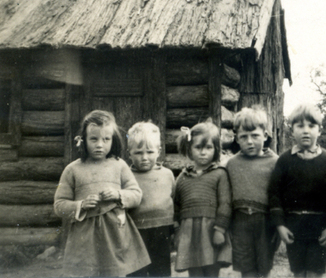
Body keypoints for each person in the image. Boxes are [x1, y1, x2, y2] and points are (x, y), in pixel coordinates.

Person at [54, 110, 150, 277]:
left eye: (106, 139)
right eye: (94, 139)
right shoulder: (72, 170)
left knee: (114, 273)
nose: (100, 145)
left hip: (116, 235)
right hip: (84, 238)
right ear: (83, 140)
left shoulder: (119, 165)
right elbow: (59, 205)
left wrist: (118, 195)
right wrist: (80, 205)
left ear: (113, 140)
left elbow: (136, 194)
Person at [268, 103, 326, 278]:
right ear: (292, 131)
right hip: (294, 228)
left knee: (315, 273)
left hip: (320, 229)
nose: (306, 131)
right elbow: (274, 193)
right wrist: (280, 225)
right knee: (298, 273)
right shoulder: (284, 160)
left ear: (320, 130)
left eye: (311, 126)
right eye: (300, 126)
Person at [174, 122, 233, 277]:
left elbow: (225, 203)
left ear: (216, 149)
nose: (203, 152)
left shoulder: (220, 174)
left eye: (208, 148)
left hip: (211, 231)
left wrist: (220, 229)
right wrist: (177, 230)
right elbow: (176, 206)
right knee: (195, 273)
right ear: (189, 149)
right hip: (189, 233)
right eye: (198, 147)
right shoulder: (182, 177)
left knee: (211, 271)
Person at [227, 107, 280, 278]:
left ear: (265, 135)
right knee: (247, 269)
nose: (250, 141)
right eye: (244, 137)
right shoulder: (231, 164)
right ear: (237, 138)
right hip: (240, 222)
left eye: (255, 136)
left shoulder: (275, 162)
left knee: (263, 268)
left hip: (266, 222)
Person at [126, 121, 175, 277]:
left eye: (150, 152)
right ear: (129, 153)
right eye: (138, 153)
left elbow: (173, 198)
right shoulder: (126, 176)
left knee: (160, 272)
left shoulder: (167, 175)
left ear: (159, 151)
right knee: (136, 272)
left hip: (162, 231)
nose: (145, 157)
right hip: (135, 233)